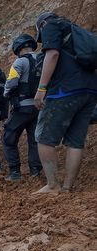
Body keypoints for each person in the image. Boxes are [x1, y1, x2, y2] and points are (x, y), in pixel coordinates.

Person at [33, 13, 97, 193]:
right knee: (75, 141)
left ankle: (53, 185)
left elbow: (52, 54)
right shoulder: (77, 32)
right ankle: (67, 187)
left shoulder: (51, 25)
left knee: (44, 137)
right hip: (90, 90)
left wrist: (42, 88)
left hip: (65, 89)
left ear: (41, 25)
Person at [3, 34, 43, 181]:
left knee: (9, 137)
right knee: (34, 140)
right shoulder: (42, 59)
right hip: (38, 107)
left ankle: (15, 172)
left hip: (22, 107)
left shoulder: (19, 62)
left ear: (19, 48)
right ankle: (35, 171)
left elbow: (12, 83)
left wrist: (6, 93)